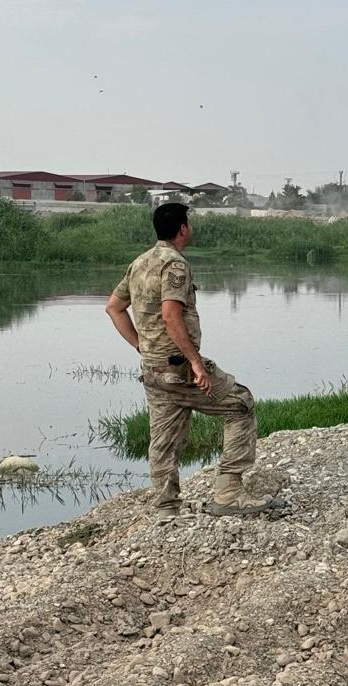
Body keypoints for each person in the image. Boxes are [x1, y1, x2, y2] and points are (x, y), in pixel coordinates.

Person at [105, 203, 274, 518]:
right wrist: (196, 364)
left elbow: (114, 307)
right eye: (189, 223)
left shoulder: (140, 263)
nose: (191, 228)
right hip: (178, 367)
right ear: (182, 229)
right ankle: (229, 495)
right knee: (240, 403)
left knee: (164, 437)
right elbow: (171, 316)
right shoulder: (174, 265)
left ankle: (166, 508)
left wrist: (141, 346)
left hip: (153, 368)